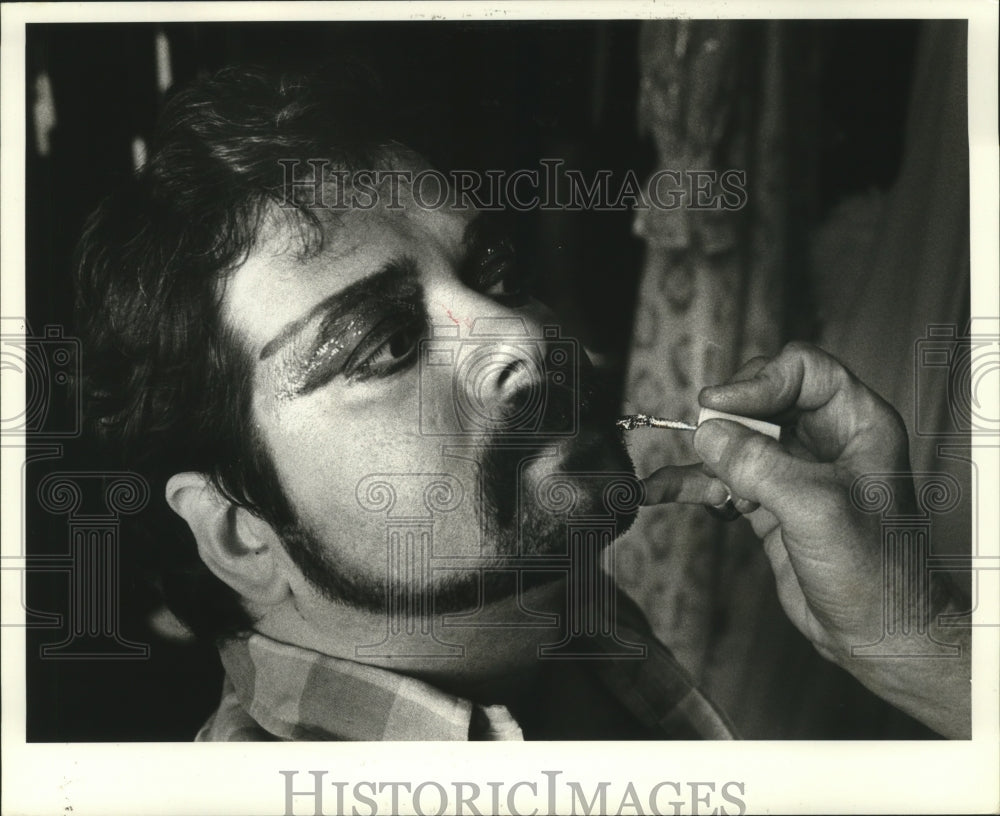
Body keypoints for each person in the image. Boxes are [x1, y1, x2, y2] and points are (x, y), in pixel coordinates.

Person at [74, 65, 970, 741]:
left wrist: (910, 639)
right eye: (385, 344)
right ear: (238, 535)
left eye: (492, 274)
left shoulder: (584, 633)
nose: (527, 339)